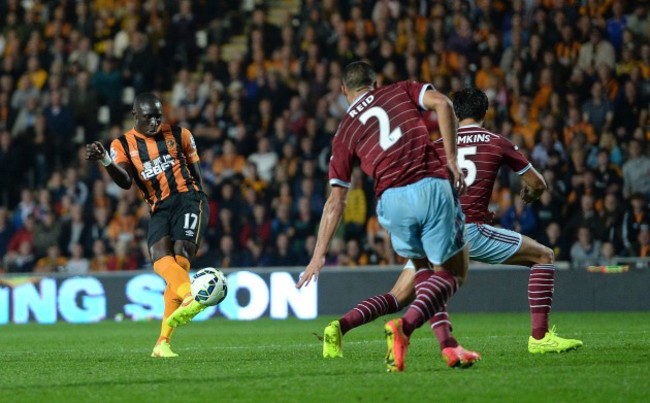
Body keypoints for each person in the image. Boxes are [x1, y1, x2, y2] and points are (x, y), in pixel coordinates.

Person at [321, 88, 582, 364]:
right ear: (485, 112)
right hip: (470, 230)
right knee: (543, 256)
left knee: (397, 296)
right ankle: (540, 339)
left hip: (433, 227)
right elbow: (538, 183)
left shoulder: (438, 144)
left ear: (456, 115)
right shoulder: (496, 141)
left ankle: (339, 327)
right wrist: (529, 195)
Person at [295, 61, 475, 373]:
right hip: (428, 185)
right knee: (454, 273)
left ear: (344, 91)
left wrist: (318, 256)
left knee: (423, 274)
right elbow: (444, 104)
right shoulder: (399, 90)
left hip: (391, 203)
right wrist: (452, 159)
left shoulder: (344, 133)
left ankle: (448, 345)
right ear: (375, 82)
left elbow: (335, 202)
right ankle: (404, 327)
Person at [85, 93, 209, 358]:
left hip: (188, 198)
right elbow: (125, 182)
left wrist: (199, 200)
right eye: (147, 117)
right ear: (135, 116)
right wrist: (106, 160)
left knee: (181, 257)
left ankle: (164, 339)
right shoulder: (122, 144)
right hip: (158, 207)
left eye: (157, 116)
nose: (154, 122)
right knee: (160, 260)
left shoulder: (180, 135)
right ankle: (184, 306)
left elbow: (197, 175)